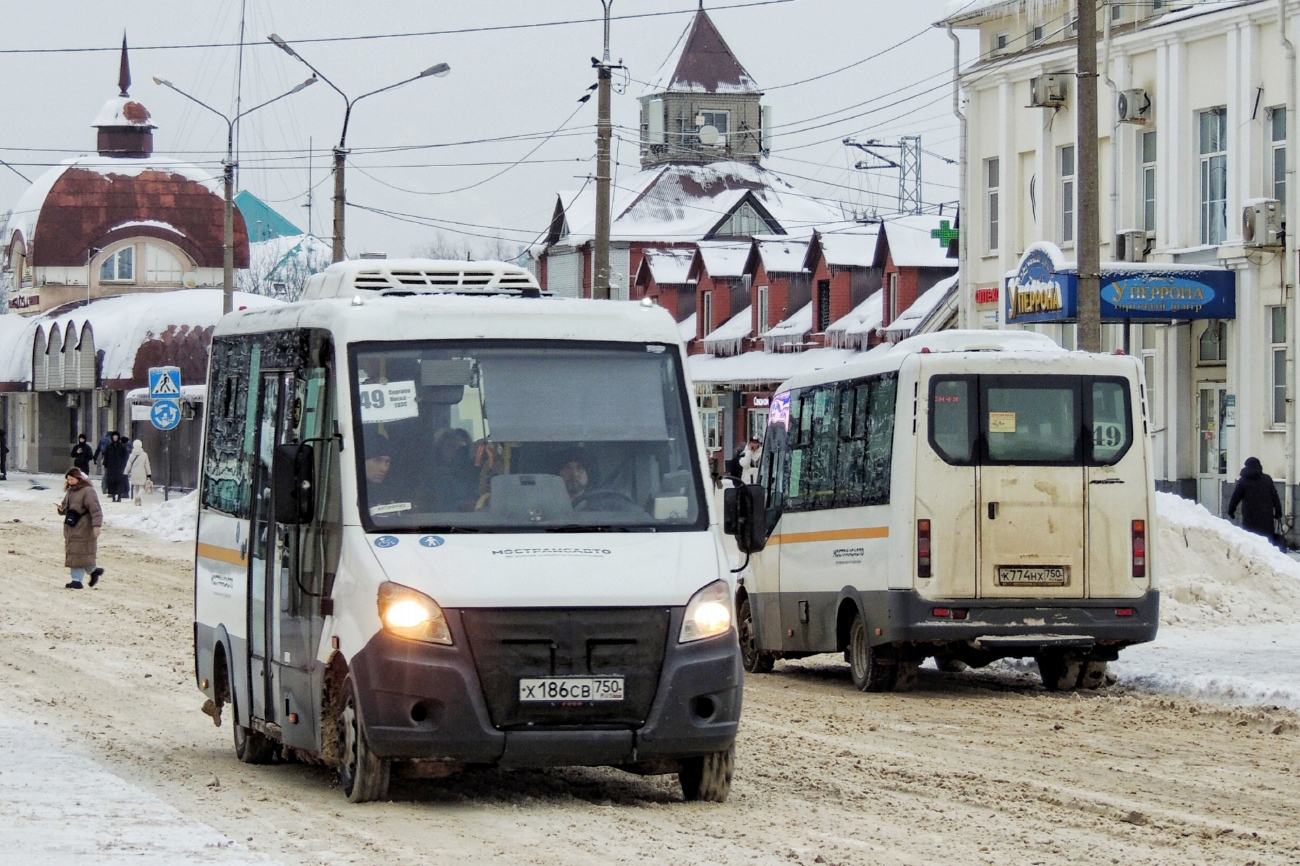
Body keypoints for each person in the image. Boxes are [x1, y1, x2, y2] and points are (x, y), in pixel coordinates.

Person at [56, 467, 104, 589]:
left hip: (84, 527)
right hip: (72, 526)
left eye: (72, 479)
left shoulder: (88, 491)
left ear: (78, 478)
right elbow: (66, 506)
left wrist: (96, 526)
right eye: (68, 480)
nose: (70, 482)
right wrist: (61, 509)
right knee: (77, 553)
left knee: (78, 553)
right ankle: (93, 571)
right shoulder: (70, 491)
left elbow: (96, 510)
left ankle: (76, 581)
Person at [1227, 456, 1284, 546]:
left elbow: (1235, 497)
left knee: (1251, 540)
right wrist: (1278, 511)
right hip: (1266, 517)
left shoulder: (1243, 481)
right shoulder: (1267, 479)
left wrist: (1231, 511)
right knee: (1267, 541)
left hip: (1249, 516)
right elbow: (1274, 496)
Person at [431, 427, 480, 511]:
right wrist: (461, 508)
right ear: (439, 451)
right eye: (451, 446)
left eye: (462, 449)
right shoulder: (433, 478)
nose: (457, 452)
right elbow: (433, 509)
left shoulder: (480, 475)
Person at [102, 432, 131, 503]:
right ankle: (113, 496)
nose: (115, 438)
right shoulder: (109, 446)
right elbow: (106, 456)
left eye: (116, 436)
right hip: (111, 468)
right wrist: (105, 465)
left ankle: (119, 496)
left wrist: (124, 465)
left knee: (119, 482)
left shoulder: (121, 446)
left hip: (119, 468)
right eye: (114, 436)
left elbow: (125, 457)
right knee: (112, 483)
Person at [124, 439, 153, 506]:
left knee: (136, 488)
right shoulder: (144, 455)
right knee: (142, 488)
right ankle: (138, 497)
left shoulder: (131, 455)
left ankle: (137, 501)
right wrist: (149, 474)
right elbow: (147, 465)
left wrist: (125, 473)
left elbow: (128, 464)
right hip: (142, 473)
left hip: (134, 473)